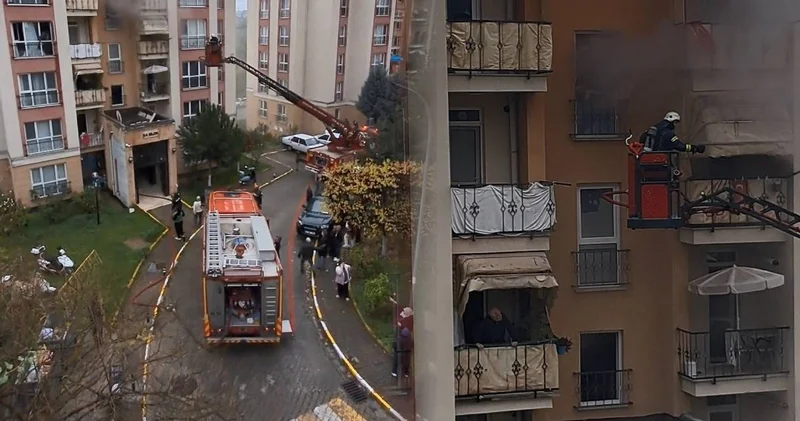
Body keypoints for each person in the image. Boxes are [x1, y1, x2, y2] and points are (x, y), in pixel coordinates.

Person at [640, 111, 706, 154]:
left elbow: (641, 140)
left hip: (647, 159)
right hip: (662, 160)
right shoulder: (668, 133)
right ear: (671, 121)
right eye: (675, 122)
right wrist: (694, 148)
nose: (675, 125)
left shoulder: (652, 130)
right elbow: (680, 146)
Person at [392, 307, 414, 377]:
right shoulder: (404, 322)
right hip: (402, 342)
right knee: (404, 357)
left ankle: (396, 371)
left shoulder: (401, 321)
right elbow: (405, 333)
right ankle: (405, 372)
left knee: (399, 356)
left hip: (399, 342)